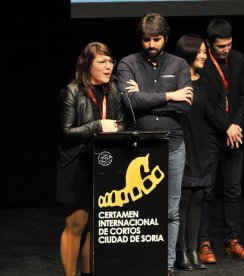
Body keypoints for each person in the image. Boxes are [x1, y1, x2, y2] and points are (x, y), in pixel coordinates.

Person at [115, 13, 193, 276]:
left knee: (170, 210)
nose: (151, 44)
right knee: (137, 206)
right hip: (138, 145)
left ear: (166, 38)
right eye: (147, 39)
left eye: (156, 39)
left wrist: (145, 96)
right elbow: (129, 102)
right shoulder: (128, 63)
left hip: (172, 145)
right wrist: (170, 95)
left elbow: (185, 106)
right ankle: (140, 261)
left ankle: (167, 264)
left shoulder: (180, 64)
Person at [57, 42, 125, 276]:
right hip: (76, 165)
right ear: (87, 64)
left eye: (110, 62)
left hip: (104, 164)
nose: (108, 67)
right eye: (102, 62)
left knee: (95, 227)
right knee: (76, 225)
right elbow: (66, 133)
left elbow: (124, 122)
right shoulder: (72, 91)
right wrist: (98, 126)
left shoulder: (114, 90)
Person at [198, 18, 244, 262]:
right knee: (207, 191)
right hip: (211, 133)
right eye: (221, 46)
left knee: (233, 190)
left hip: (235, 133)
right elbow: (207, 105)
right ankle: (203, 242)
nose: (226, 50)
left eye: (229, 44)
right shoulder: (201, 63)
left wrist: (237, 126)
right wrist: (226, 126)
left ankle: (232, 241)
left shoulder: (239, 59)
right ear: (210, 44)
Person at [174, 34, 212, 271]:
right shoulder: (176, 81)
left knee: (198, 197)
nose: (204, 56)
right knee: (183, 200)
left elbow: (211, 112)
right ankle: (180, 252)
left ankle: (192, 249)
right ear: (188, 52)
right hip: (182, 144)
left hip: (201, 145)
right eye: (200, 51)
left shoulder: (204, 81)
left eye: (205, 52)